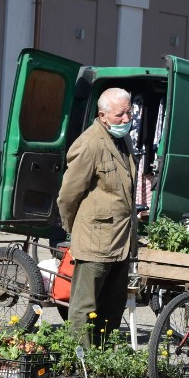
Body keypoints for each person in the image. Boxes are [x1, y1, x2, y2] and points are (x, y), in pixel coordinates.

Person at [57, 87, 137, 346]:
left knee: (113, 306)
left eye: (129, 112)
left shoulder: (122, 139)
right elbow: (68, 195)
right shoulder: (89, 143)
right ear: (103, 116)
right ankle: (81, 362)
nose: (126, 119)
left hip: (121, 241)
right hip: (95, 240)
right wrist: (74, 229)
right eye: (119, 115)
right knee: (85, 306)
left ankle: (104, 357)